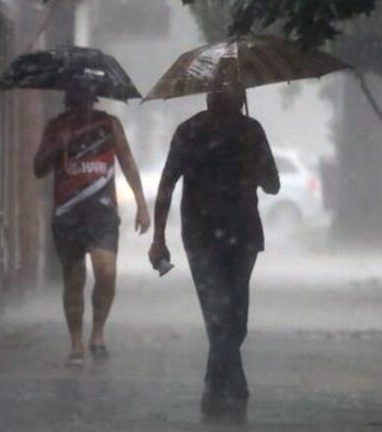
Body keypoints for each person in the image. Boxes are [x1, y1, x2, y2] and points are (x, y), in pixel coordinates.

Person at [148, 85, 280, 422]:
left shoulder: (246, 132)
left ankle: (217, 381)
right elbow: (167, 183)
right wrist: (158, 238)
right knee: (225, 314)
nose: (218, 97)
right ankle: (229, 387)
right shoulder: (200, 132)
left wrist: (253, 163)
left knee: (230, 317)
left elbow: (273, 184)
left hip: (228, 235)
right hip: (213, 235)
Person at [34, 86, 150, 366]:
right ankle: (76, 342)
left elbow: (128, 162)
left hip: (102, 213)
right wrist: (56, 147)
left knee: (106, 272)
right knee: (74, 279)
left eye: (85, 103)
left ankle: (98, 331)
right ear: (67, 103)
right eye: (74, 104)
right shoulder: (56, 127)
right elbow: (38, 169)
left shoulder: (109, 125)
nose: (80, 109)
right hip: (68, 213)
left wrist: (141, 204)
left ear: (93, 101)